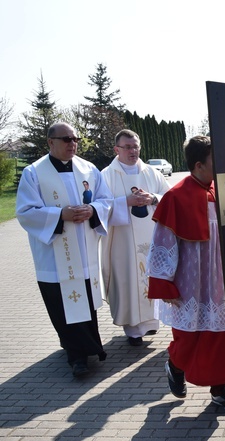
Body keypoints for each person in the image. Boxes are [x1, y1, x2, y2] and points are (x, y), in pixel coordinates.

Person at [146, 135, 225, 414]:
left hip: (221, 279)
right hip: (190, 279)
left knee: (224, 334)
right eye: (216, 160)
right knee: (188, 337)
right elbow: (162, 244)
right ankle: (175, 365)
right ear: (199, 165)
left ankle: (220, 389)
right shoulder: (175, 197)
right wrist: (164, 282)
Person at [15, 122, 113, 378]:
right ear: (50, 142)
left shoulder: (88, 169)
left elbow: (106, 201)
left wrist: (93, 210)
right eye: (66, 139)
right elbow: (25, 213)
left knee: (84, 305)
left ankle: (90, 347)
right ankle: (77, 357)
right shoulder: (34, 173)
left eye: (75, 138)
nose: (72, 143)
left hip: (84, 254)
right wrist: (61, 214)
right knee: (64, 306)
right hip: (56, 258)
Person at [101, 130, 171, 347]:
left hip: (151, 237)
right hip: (122, 241)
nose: (133, 151)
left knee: (151, 277)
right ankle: (132, 330)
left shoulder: (152, 173)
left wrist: (153, 198)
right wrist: (125, 202)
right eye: (128, 147)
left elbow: (169, 198)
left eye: (136, 147)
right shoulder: (106, 175)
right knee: (128, 280)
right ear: (117, 149)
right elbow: (101, 207)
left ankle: (151, 323)